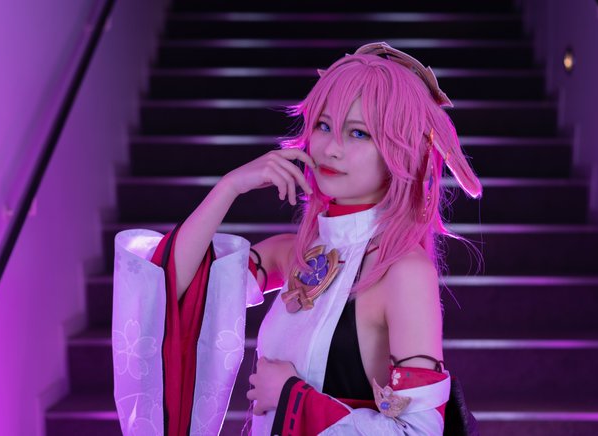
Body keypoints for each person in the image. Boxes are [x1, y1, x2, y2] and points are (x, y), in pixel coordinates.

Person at [112, 42, 482, 436]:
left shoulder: (403, 271)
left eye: (358, 133)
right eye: (323, 125)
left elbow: (421, 431)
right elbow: (170, 289)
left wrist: (291, 397)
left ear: (400, 152)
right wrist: (229, 187)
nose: (331, 148)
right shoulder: (292, 253)